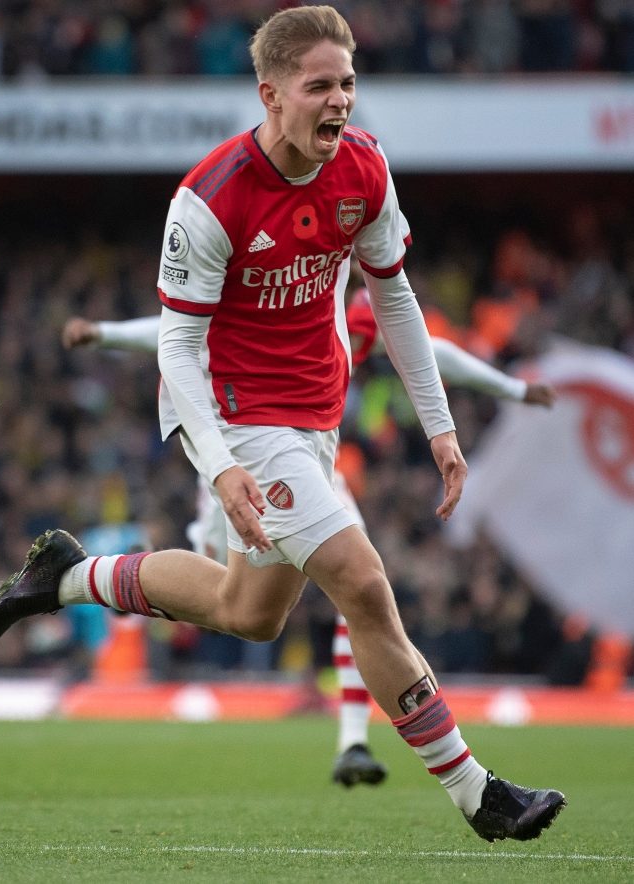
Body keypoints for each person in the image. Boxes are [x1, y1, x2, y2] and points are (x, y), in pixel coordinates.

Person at [0, 5, 565, 841]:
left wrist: (438, 426)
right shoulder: (209, 198)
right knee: (362, 582)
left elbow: (394, 299)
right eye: (319, 86)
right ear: (270, 94)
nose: (339, 101)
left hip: (312, 414)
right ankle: (479, 795)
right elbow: (178, 349)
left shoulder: (363, 169)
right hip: (233, 411)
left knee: (248, 610)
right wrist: (221, 465)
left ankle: (68, 576)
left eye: (347, 84)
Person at [60, 298, 555, 787]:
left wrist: (509, 389)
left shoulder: (347, 305)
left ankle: (359, 742)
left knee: (359, 585)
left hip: (310, 463)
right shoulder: (269, 288)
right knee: (242, 607)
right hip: (238, 455)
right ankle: (89, 579)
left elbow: (427, 350)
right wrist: (106, 334)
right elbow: (175, 329)